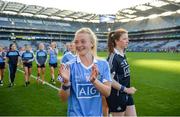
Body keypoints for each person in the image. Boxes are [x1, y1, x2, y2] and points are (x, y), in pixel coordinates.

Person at [58, 28, 112, 116]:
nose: (79, 45)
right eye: (76, 42)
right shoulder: (68, 65)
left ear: (92, 43)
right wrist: (66, 83)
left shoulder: (103, 64)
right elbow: (63, 98)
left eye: (83, 41)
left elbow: (107, 92)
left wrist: (95, 81)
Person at [106, 28, 137, 116]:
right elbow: (109, 80)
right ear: (116, 41)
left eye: (127, 38)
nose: (128, 41)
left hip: (127, 94)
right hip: (117, 96)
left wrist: (127, 90)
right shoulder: (113, 57)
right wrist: (126, 89)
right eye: (124, 39)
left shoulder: (123, 54)